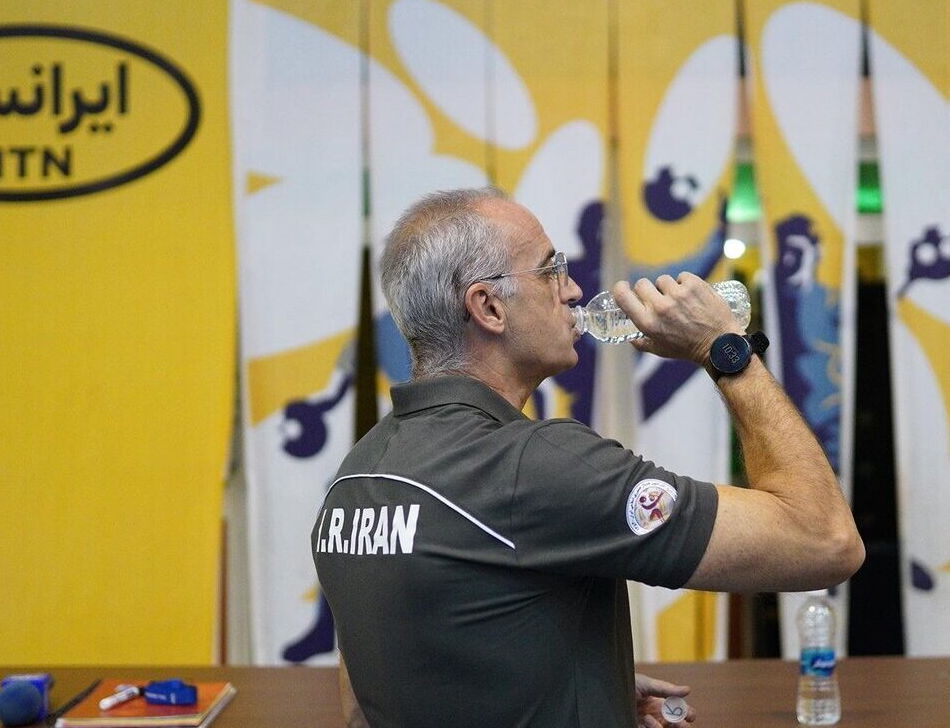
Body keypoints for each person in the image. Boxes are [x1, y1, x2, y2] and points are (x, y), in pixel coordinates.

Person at [312, 187, 864, 728]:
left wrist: (587, 685)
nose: (574, 290)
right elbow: (824, 540)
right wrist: (724, 349)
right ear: (488, 307)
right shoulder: (536, 464)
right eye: (550, 270)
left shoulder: (355, 476)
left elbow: (367, 702)